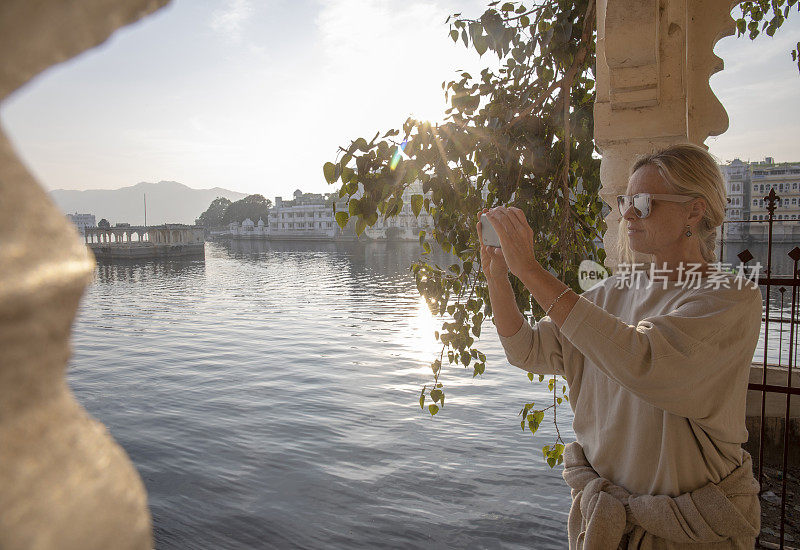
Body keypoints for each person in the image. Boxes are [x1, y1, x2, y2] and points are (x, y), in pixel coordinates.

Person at [477, 143, 763, 549]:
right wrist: (498, 278)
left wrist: (530, 270)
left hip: (687, 533)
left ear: (694, 211)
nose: (627, 213)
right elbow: (527, 349)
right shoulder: (610, 293)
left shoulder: (732, 299)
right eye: (625, 200)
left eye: (643, 203)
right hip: (607, 526)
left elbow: (642, 360)